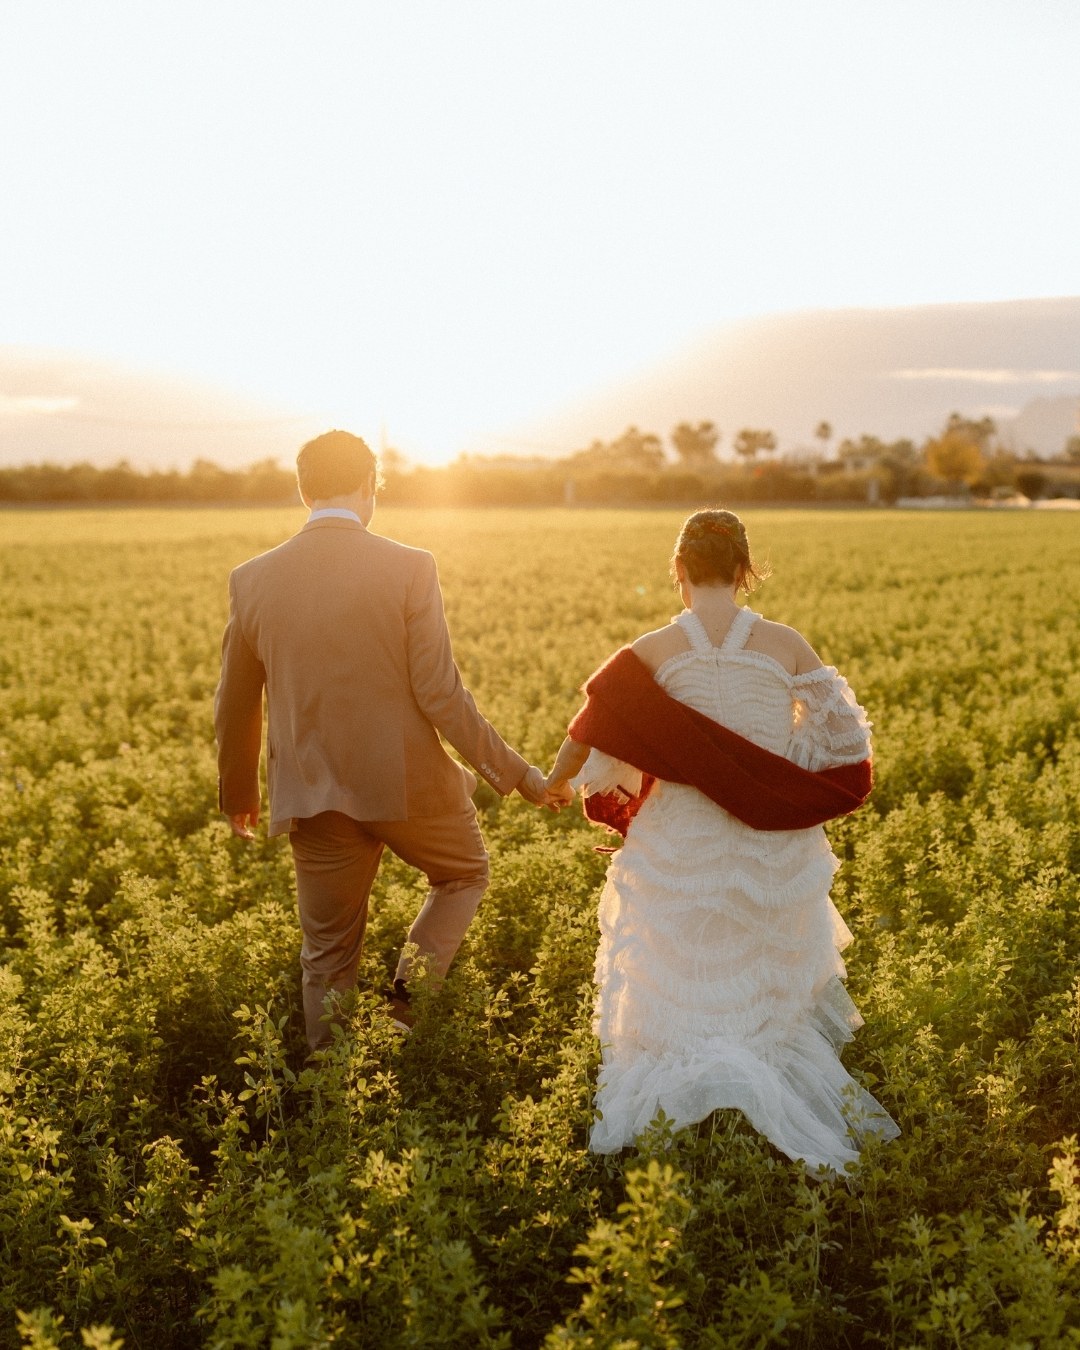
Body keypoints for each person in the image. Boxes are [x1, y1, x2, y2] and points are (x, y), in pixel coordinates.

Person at [545, 508, 898, 1173]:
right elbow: (845, 742)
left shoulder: (651, 650)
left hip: (678, 840)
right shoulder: (784, 644)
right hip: (767, 842)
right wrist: (776, 765)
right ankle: (756, 1084)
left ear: (679, 570)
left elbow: (588, 731)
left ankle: (683, 1107)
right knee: (757, 974)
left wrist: (555, 783)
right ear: (743, 571)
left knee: (681, 969)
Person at [215, 429, 554, 1052]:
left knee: (326, 954)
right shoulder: (410, 566)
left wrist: (239, 794)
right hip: (410, 786)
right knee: (463, 874)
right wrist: (520, 775)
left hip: (312, 794)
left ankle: (329, 1088)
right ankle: (403, 1010)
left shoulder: (252, 578)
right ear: (370, 486)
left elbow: (235, 701)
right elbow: (440, 694)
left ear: (303, 491)